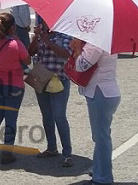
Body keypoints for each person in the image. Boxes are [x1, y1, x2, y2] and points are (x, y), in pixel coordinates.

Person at [0, 13, 30, 164]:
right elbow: (27, 60)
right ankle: (7, 151)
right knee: (10, 119)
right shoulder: (16, 44)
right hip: (14, 84)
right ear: (13, 27)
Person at [70, 38, 120, 185]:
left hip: (100, 92)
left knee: (101, 138)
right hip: (104, 92)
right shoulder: (103, 41)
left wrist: (78, 48)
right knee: (101, 136)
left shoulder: (97, 43)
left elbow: (81, 65)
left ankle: (103, 177)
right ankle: (100, 171)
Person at [29, 23, 73, 167]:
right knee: (46, 115)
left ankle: (67, 153)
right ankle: (51, 147)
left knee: (59, 116)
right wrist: (36, 36)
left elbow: (67, 54)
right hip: (41, 78)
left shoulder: (65, 35)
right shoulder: (41, 35)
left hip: (58, 79)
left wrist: (47, 41)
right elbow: (30, 52)